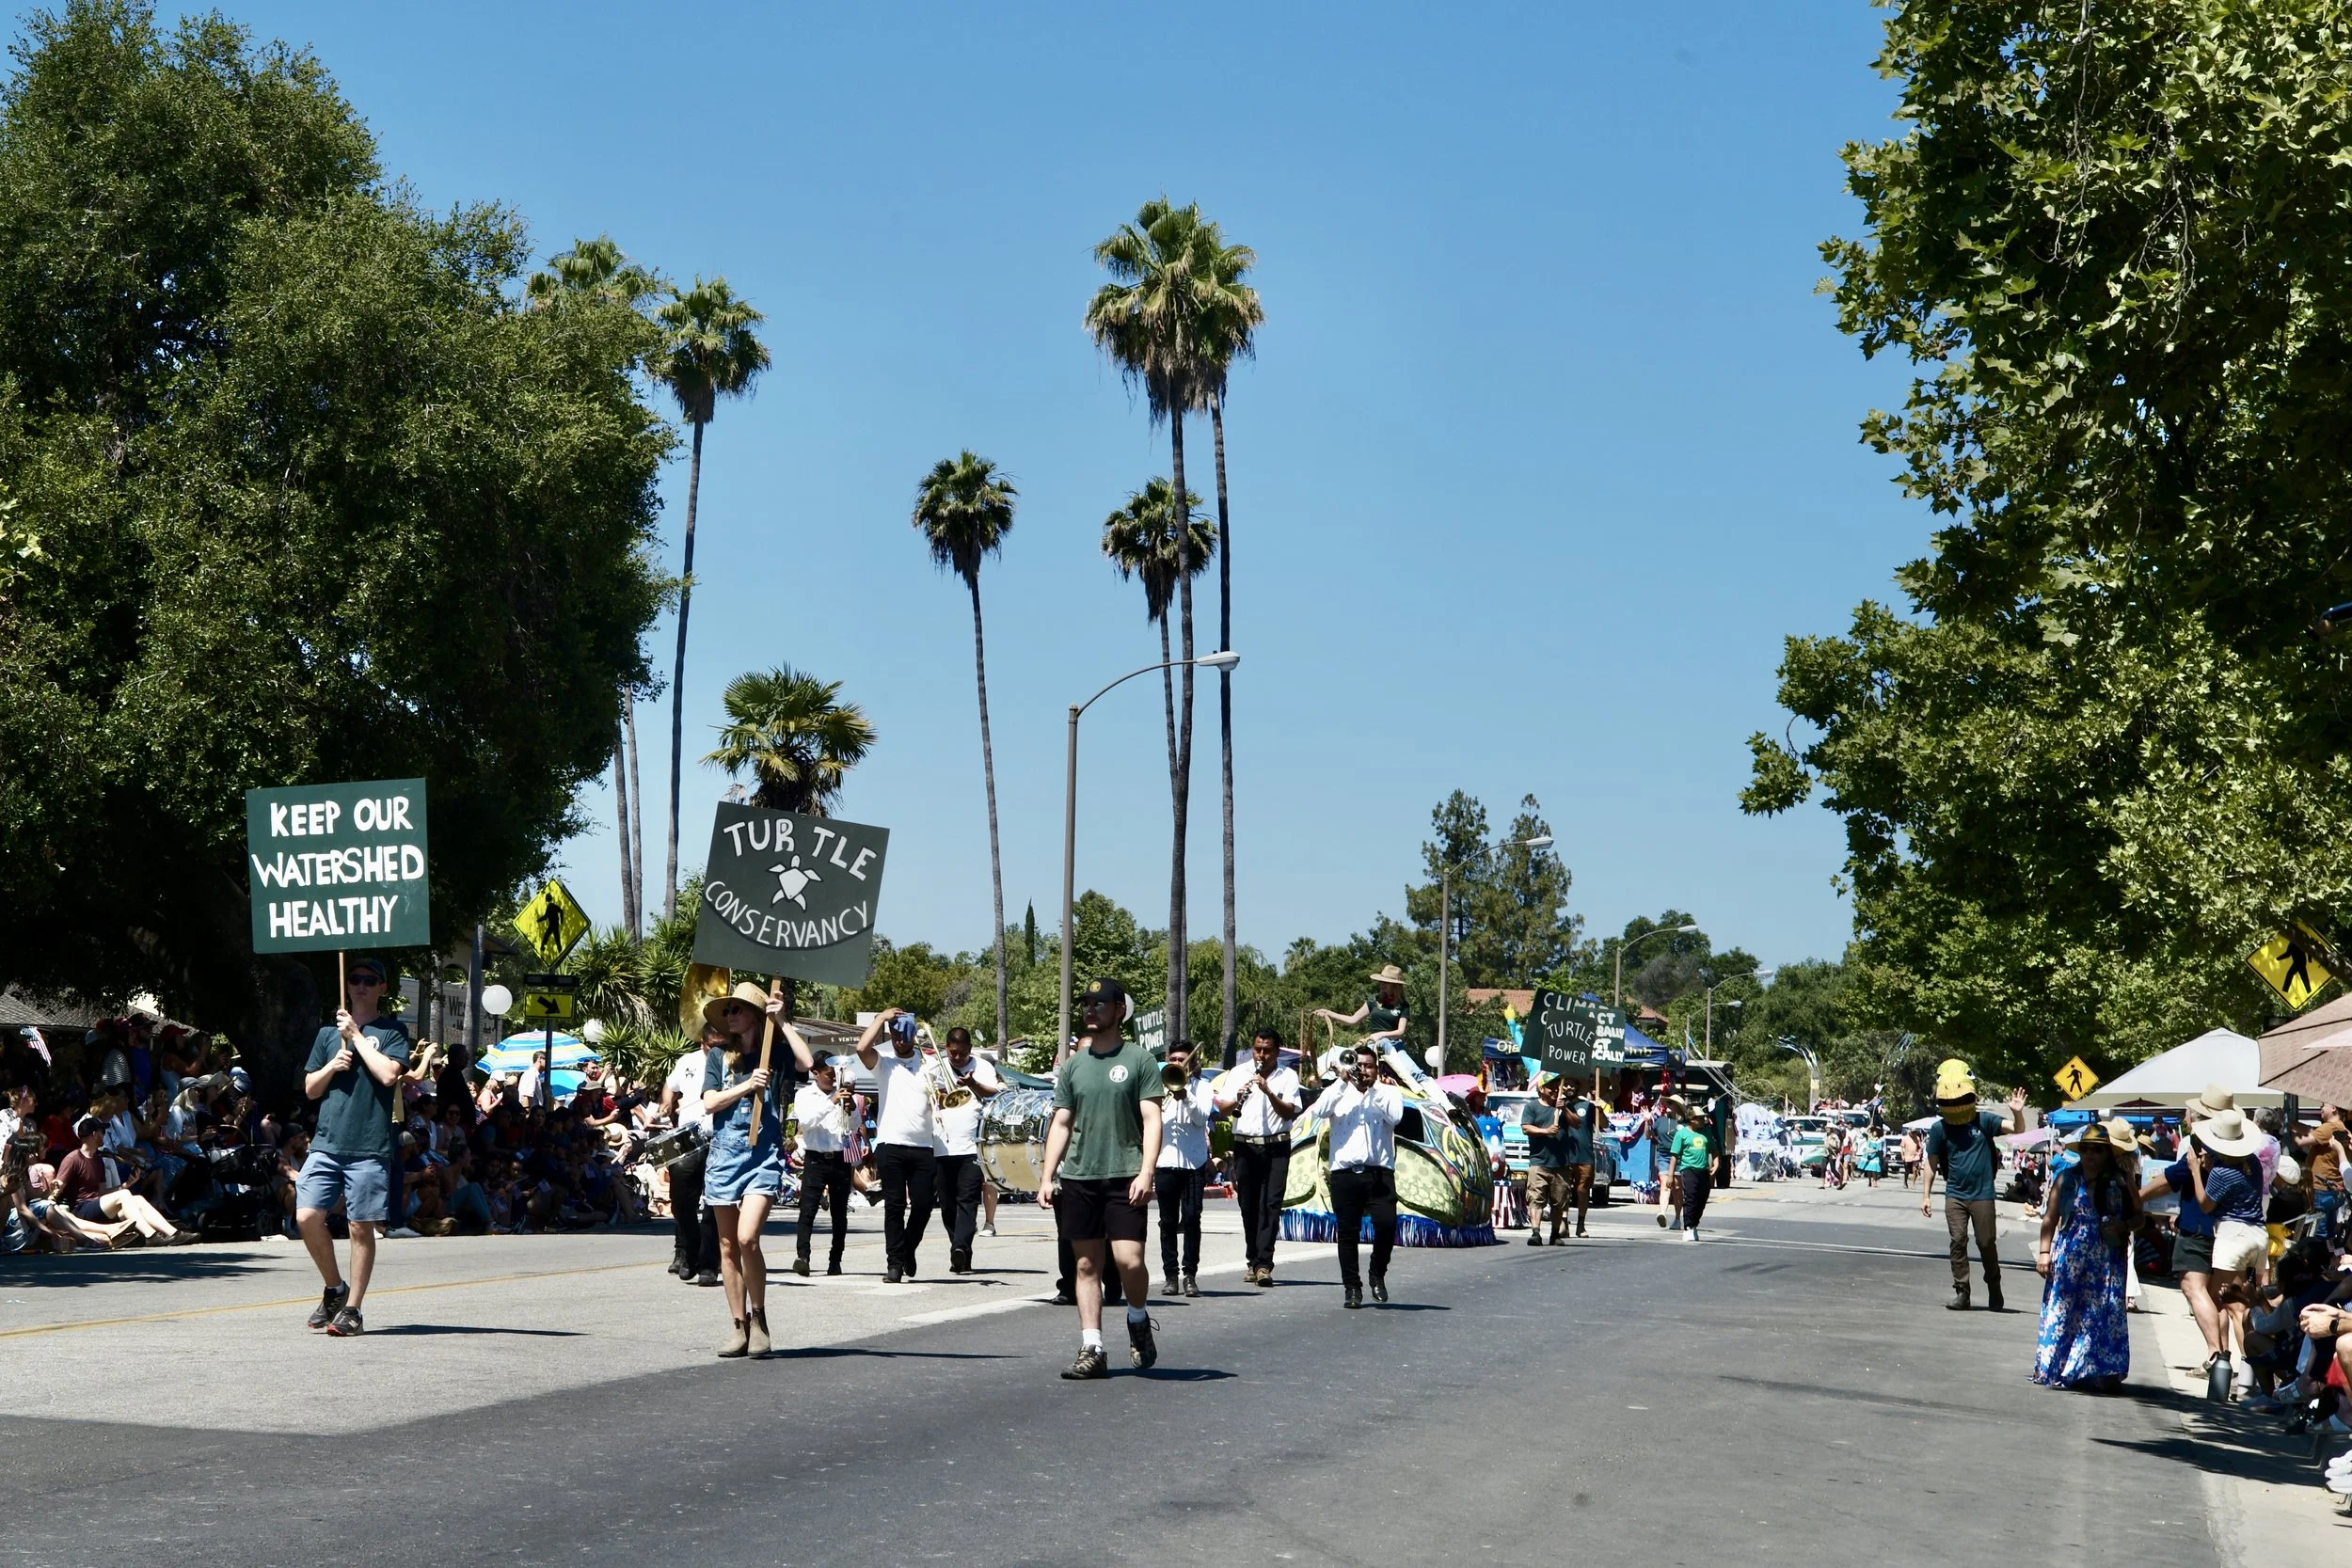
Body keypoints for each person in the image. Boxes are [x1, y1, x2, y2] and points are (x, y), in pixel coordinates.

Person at [1037, 977, 1164, 1378]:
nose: (1090, 1010)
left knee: (1130, 1261)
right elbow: (1061, 1121)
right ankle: (1092, 1348)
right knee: (1087, 1264)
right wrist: (1047, 1174)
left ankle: (1138, 1317)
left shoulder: (1139, 1060)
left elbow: (1151, 1118)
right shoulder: (1073, 1066)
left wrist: (1147, 1171)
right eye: (1087, 1004)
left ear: (1119, 1011)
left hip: (1125, 1176)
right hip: (1079, 1177)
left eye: (1099, 1004)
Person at [293, 957, 412, 1336]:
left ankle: (354, 1310)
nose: (361, 984)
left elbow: (389, 1073)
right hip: (327, 1143)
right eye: (356, 978)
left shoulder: (393, 1031)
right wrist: (332, 1065)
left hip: (369, 1146)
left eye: (370, 980)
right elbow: (311, 1088)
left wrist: (357, 1038)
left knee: (361, 1228)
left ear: (383, 988)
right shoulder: (329, 1035)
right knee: (306, 1216)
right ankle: (335, 1288)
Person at [701, 980, 815, 1359]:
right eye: (727, 1011)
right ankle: (738, 1325)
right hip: (724, 1157)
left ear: (754, 1014)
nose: (731, 1016)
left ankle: (760, 1318)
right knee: (727, 1245)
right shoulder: (719, 1057)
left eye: (738, 1010)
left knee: (748, 1238)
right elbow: (710, 1102)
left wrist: (782, 1021)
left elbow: (808, 1062)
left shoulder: (776, 1054)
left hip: (762, 1157)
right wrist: (747, 1085)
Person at [2031, 1123, 2137, 1391]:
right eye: (2086, 1149)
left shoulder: (2121, 1181)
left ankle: (2103, 1370)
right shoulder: (2066, 1180)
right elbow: (2050, 1218)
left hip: (2107, 1259)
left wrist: (2123, 1226)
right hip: (2071, 1259)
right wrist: (2044, 1253)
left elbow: (2140, 1218)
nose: (2090, 1155)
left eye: (2097, 1150)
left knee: (2104, 1313)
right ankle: (2062, 1366)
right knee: (2066, 1312)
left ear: (2107, 1153)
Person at [1302, 1043, 1406, 1308]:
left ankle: (1377, 1273)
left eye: (1368, 1066)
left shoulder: (1388, 1093)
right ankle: (1352, 1287)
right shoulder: (1338, 1092)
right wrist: (1341, 1081)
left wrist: (1372, 1089)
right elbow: (1320, 1110)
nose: (1363, 1070)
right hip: (1345, 1173)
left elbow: (1395, 1117)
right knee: (1348, 1233)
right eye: (1358, 1065)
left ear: (1377, 1068)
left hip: (1379, 1173)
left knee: (1386, 1225)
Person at [1920, 1065, 2027, 1310]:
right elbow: (1931, 1162)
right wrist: (1925, 1195)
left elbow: (2017, 1129)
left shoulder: (1984, 1121)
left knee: (1986, 1242)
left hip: (1982, 1194)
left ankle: (1994, 1286)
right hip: (1955, 1194)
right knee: (1958, 1240)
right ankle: (1962, 1291)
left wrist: (2017, 1113)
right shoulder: (1939, 1129)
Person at [2185, 1107, 2269, 1397]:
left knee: (2225, 1305)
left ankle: (2233, 1367)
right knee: (2244, 1305)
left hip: (2234, 1234)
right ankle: (2249, 1375)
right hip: (2258, 1234)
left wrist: (2197, 1171)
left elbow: (2206, 1204)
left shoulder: (2221, 1171)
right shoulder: (2253, 1164)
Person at [852, 1006, 938, 1285]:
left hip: (924, 1145)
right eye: (896, 1035)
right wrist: (880, 1019)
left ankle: (907, 1248)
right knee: (895, 1206)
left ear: (914, 1035)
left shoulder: (930, 1065)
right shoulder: (885, 1062)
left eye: (905, 1035)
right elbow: (861, 1048)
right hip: (891, 1144)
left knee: (924, 1205)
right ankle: (894, 1263)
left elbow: (941, 1095)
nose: (900, 1040)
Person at [1215, 1025, 1303, 1287]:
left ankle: (1264, 1263)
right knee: (1249, 1206)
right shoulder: (1238, 1073)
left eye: (1267, 1051)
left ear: (1277, 1052)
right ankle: (1253, 1260)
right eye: (1257, 1049)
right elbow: (1223, 1110)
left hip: (1276, 1146)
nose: (1261, 1055)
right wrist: (1238, 1097)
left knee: (1271, 1204)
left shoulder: (1287, 1076)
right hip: (1245, 1146)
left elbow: (1289, 1113)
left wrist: (1268, 1091)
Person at [931, 1026, 1003, 1275]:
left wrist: (972, 1083)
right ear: (946, 1049)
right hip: (941, 1146)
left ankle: (960, 1249)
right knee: (948, 1206)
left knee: (967, 1201)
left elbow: (995, 1095)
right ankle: (961, 1251)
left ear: (969, 1050)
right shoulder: (935, 1066)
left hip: (971, 1146)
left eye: (962, 1053)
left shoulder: (982, 1067)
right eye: (952, 1053)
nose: (957, 1058)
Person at [659, 1024, 723, 1287]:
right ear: (702, 1044)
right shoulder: (687, 1060)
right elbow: (670, 1086)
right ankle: (690, 1251)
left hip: (718, 1137)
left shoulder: (733, 1062)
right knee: (681, 1202)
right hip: (687, 1136)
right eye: (712, 1047)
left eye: (722, 1046)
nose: (717, 1051)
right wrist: (668, 1102)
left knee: (713, 1204)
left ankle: (708, 1264)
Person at [1153, 1039, 1217, 1295]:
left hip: (1193, 1162)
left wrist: (1185, 1096)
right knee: (1167, 1222)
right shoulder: (1157, 1086)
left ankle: (1189, 1274)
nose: (1177, 1063)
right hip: (1166, 1161)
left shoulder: (1202, 1088)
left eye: (1182, 1059)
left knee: (1192, 1219)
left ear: (1192, 1062)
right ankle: (1170, 1276)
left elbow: (1202, 1118)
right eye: (1173, 1060)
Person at [791, 1055, 855, 1276]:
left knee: (839, 1214)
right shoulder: (805, 1095)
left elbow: (855, 1127)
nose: (834, 1080)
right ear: (815, 1073)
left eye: (836, 1075)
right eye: (829, 1075)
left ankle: (835, 1259)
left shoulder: (843, 1094)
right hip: (815, 1158)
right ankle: (803, 1257)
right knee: (807, 1210)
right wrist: (832, 1102)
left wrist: (852, 1109)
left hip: (839, 1158)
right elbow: (807, 1121)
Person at [1521, 1075, 1573, 1246]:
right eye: (1550, 1087)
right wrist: (1546, 1131)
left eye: (1557, 1087)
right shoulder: (1532, 1107)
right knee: (1536, 1197)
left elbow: (1578, 1123)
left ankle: (1555, 1234)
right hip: (1539, 1162)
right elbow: (1526, 1128)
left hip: (1561, 1164)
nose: (1555, 1090)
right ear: (1541, 1089)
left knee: (1559, 1201)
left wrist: (1564, 1110)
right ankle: (1536, 1232)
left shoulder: (1563, 1107)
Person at [1314, 964, 1411, 1050]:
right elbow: (1353, 1020)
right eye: (1381, 982)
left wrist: (1382, 1035)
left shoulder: (1403, 1005)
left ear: (1395, 985)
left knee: (1413, 1071)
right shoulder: (1373, 1001)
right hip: (1373, 1044)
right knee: (1348, 1061)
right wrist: (1329, 1013)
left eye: (1386, 982)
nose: (1382, 985)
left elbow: (1400, 1031)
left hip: (1394, 1045)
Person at [2297, 1102, 2349, 1243]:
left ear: (2334, 1108)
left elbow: (2300, 1141)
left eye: (2323, 1105)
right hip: (2335, 1188)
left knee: (2318, 1233)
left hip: (2322, 1189)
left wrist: (2287, 1124)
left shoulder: (2329, 1127)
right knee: (2329, 1231)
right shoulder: (2342, 1129)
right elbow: (2311, 1131)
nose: (2320, 1108)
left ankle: (2319, 1260)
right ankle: (2329, 1258)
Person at [1661, 1107, 1715, 1239]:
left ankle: (1694, 1223)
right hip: (1688, 1169)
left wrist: (1717, 1164)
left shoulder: (1706, 1133)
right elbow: (1674, 1156)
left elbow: (1714, 1151)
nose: (1703, 1120)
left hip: (1704, 1170)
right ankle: (1688, 1227)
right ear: (1692, 1120)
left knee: (1702, 1198)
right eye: (1700, 1118)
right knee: (1690, 1197)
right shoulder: (1681, 1134)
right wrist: (1670, 1176)